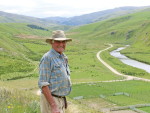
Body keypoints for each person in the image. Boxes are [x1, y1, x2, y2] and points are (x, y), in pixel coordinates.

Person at [38, 30, 72, 113]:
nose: (61, 44)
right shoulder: (47, 58)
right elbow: (43, 84)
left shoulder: (63, 57)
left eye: (63, 41)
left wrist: (63, 98)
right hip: (51, 101)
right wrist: (53, 105)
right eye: (58, 42)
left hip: (60, 100)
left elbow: (60, 81)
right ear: (51, 42)